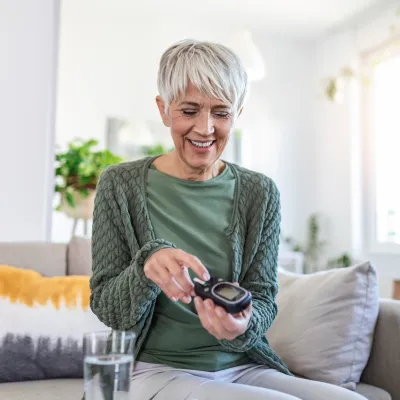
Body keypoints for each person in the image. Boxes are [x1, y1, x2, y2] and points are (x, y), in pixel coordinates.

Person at [90, 39, 366, 400]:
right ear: (163, 109)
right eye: (189, 111)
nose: (205, 129)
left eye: (221, 113)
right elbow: (108, 308)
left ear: (238, 112)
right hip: (156, 369)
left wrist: (244, 323)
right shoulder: (119, 185)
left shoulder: (260, 193)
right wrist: (147, 264)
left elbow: (264, 297)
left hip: (242, 366)